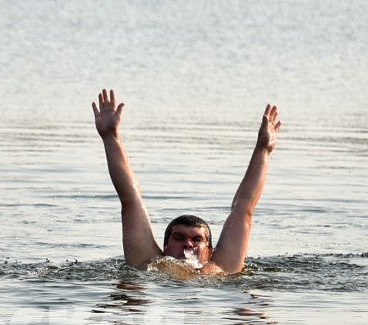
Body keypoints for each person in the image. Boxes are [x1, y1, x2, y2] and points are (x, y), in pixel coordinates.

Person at [90, 89, 280, 277]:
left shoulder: (223, 268)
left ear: (210, 250)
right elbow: (130, 198)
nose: (188, 245)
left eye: (197, 239)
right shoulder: (148, 263)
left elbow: (244, 208)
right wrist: (110, 137)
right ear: (165, 247)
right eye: (179, 238)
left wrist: (264, 149)